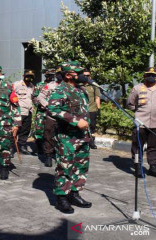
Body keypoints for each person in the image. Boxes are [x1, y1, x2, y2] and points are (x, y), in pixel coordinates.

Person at [48, 62, 92, 214]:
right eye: (79, 72)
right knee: (65, 167)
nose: (83, 75)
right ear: (68, 75)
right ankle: (62, 198)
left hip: (82, 137)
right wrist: (75, 121)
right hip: (67, 137)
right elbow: (53, 109)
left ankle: (74, 193)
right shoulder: (60, 90)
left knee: (80, 167)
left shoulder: (81, 90)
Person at [127, 67, 156, 179]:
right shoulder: (137, 88)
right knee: (137, 146)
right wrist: (140, 112)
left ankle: (153, 168)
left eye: (153, 75)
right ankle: (138, 168)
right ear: (144, 76)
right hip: (140, 122)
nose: (151, 77)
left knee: (155, 146)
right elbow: (130, 103)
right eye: (148, 75)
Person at [37, 62, 73, 167]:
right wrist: (48, 105)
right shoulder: (50, 86)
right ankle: (48, 156)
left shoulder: (70, 86)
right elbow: (40, 97)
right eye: (57, 73)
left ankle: (62, 156)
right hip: (52, 117)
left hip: (65, 117)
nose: (59, 75)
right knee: (48, 135)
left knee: (64, 137)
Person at [32, 68, 55, 155]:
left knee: (51, 130)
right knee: (39, 130)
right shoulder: (40, 85)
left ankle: (51, 149)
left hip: (52, 112)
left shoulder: (57, 85)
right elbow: (34, 97)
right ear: (46, 75)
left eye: (52, 76)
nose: (51, 77)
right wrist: (39, 104)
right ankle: (39, 148)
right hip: (41, 112)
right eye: (49, 75)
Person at [13, 70, 35, 155]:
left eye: (31, 76)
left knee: (25, 130)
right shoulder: (17, 84)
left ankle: (22, 146)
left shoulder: (31, 86)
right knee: (15, 129)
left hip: (28, 111)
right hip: (19, 111)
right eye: (27, 75)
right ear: (23, 75)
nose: (29, 77)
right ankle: (10, 148)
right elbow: (11, 96)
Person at [83, 69, 100, 149]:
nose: (86, 77)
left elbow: (97, 97)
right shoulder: (79, 85)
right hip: (82, 110)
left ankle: (91, 142)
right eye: (84, 76)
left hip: (92, 109)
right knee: (83, 126)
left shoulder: (94, 85)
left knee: (92, 126)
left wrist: (98, 108)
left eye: (88, 76)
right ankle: (84, 141)